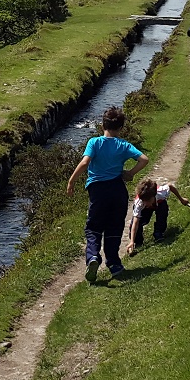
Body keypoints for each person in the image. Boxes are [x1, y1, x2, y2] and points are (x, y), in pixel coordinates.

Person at [66, 106, 148, 283]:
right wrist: (131, 173)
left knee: (94, 227)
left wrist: (72, 181)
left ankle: (93, 257)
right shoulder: (123, 145)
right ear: (120, 127)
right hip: (118, 190)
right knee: (114, 227)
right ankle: (114, 264)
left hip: (98, 190)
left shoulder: (94, 143)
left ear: (102, 125)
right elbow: (144, 159)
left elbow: (85, 162)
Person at [126, 177, 190, 254]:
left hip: (159, 203)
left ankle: (158, 233)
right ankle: (137, 242)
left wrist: (181, 199)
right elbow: (135, 222)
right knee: (140, 222)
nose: (145, 203)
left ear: (154, 195)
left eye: (147, 201)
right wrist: (132, 241)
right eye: (143, 200)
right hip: (144, 209)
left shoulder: (161, 192)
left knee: (162, 212)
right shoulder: (140, 203)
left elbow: (170, 186)